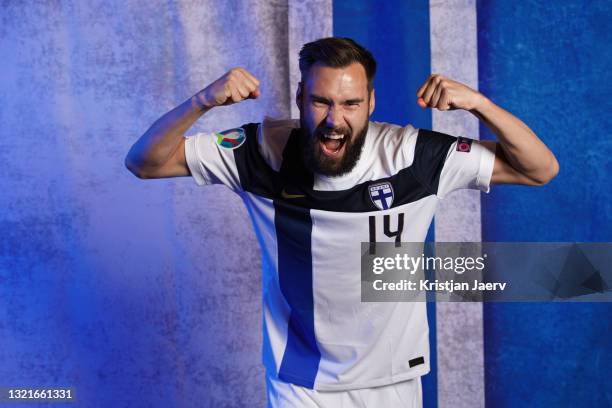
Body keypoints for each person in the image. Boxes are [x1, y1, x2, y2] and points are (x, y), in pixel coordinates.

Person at [125, 37, 558, 407]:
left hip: (392, 379)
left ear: (371, 102)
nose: (335, 121)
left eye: (351, 103)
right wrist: (203, 101)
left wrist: (480, 105)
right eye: (321, 101)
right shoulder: (259, 152)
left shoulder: (412, 156)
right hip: (300, 380)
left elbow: (539, 169)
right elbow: (144, 163)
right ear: (299, 99)